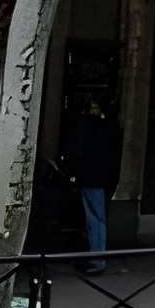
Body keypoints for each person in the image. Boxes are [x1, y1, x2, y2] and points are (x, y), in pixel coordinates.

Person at [61, 97, 120, 273]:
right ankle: (96, 256)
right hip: (102, 178)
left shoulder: (88, 126)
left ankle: (97, 259)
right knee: (96, 219)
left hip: (91, 177)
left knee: (95, 219)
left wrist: (73, 173)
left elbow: (79, 150)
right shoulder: (110, 126)